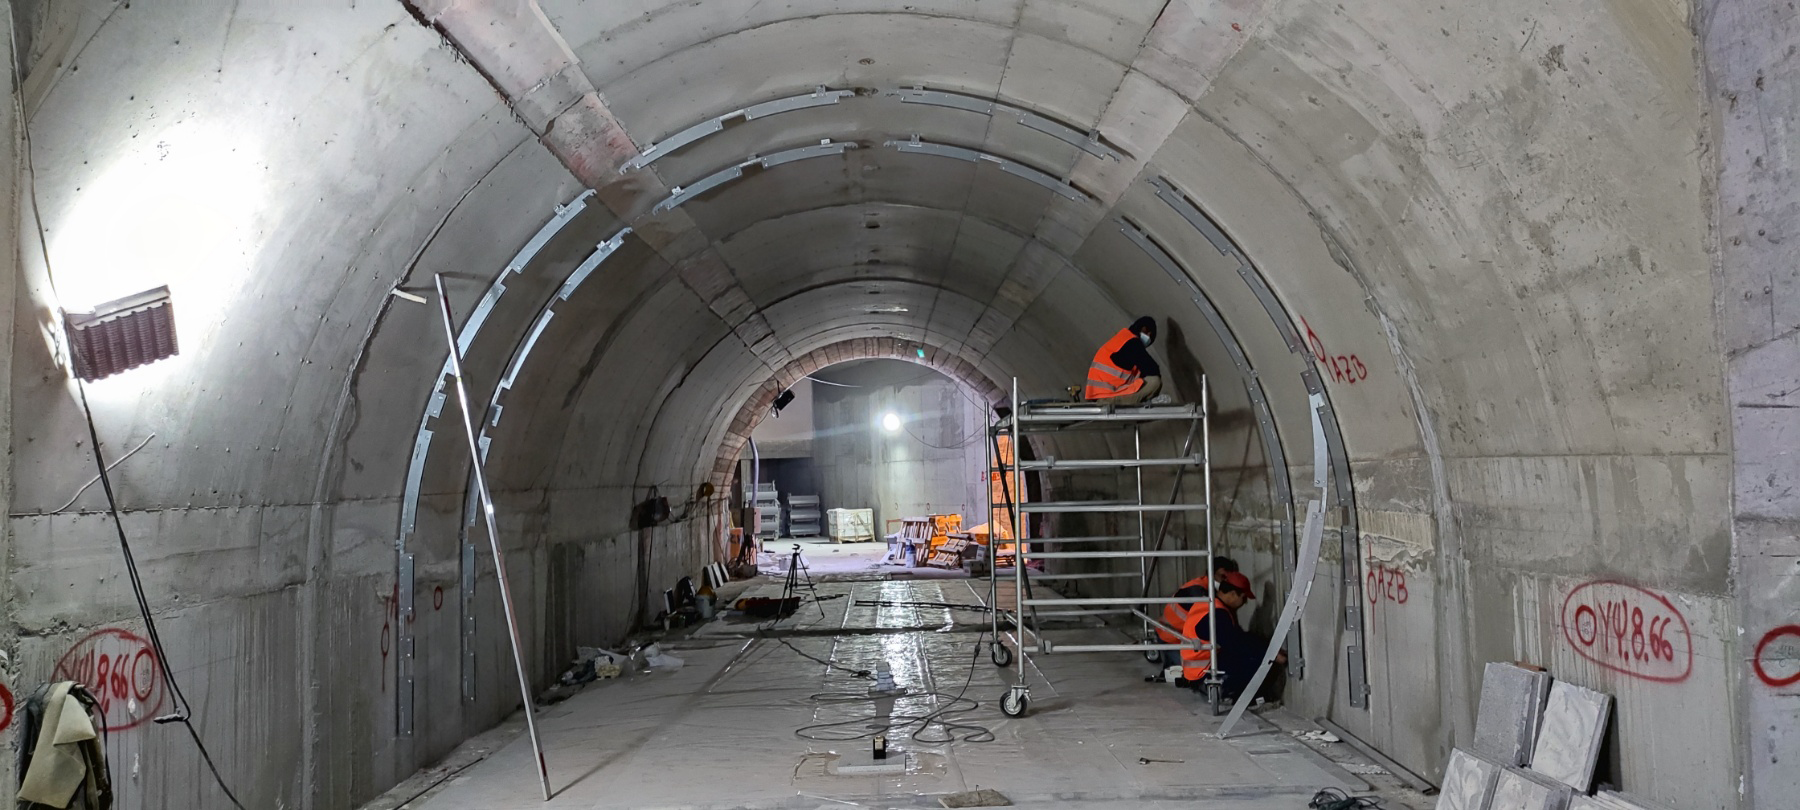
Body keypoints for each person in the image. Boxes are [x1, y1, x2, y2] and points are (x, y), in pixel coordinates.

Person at [1177, 571, 1286, 703]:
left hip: (1196, 671)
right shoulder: (1217, 615)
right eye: (1243, 598)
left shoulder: (1209, 605)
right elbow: (1237, 644)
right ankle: (1234, 694)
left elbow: (1237, 636)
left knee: (1252, 649)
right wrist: (1271, 654)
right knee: (1256, 659)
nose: (1244, 603)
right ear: (1233, 594)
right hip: (1202, 675)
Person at [1153, 556, 1241, 672]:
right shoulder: (1198, 592)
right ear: (1211, 574)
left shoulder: (1208, 590)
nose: (1224, 581)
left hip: (1181, 639)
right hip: (1171, 639)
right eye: (1222, 576)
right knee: (1191, 670)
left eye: (1228, 577)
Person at [1085, 316, 1169, 404]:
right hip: (1110, 398)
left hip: (1100, 396)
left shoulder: (1121, 339)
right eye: (1149, 336)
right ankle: (1146, 403)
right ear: (1144, 329)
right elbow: (1152, 369)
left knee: (1140, 377)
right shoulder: (1133, 342)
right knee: (1154, 381)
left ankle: (1143, 402)